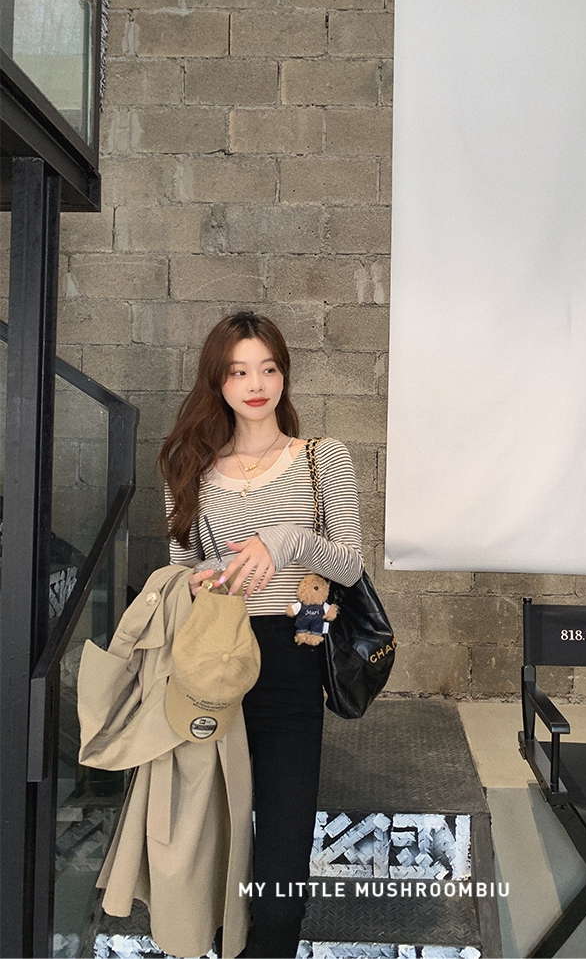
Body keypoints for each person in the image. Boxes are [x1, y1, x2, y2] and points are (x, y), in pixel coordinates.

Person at [158, 311, 364, 958]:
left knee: (281, 855)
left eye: (268, 369)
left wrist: (286, 539)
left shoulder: (320, 459)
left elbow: (349, 564)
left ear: (283, 375)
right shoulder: (189, 464)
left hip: (290, 659)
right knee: (211, 842)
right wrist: (197, 581)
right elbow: (180, 566)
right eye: (239, 371)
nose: (255, 385)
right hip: (213, 662)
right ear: (217, 381)